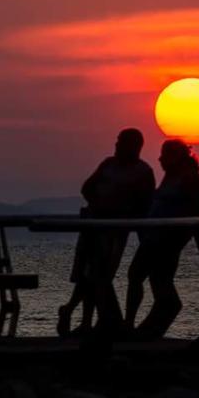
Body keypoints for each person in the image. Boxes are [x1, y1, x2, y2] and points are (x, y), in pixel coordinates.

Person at [57, 128, 155, 337]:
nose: (116, 145)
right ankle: (82, 319)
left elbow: (146, 204)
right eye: (117, 141)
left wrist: (125, 214)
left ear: (134, 146)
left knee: (102, 276)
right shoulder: (108, 164)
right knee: (88, 273)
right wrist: (98, 205)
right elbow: (87, 187)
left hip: (117, 230)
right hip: (94, 224)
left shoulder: (143, 172)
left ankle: (80, 316)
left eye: (121, 142)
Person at [125, 138, 199, 339]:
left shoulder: (189, 176)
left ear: (175, 157)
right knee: (149, 277)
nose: (160, 158)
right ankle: (136, 325)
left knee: (145, 275)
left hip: (167, 237)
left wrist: (176, 229)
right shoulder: (170, 176)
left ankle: (134, 325)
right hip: (154, 235)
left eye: (164, 154)